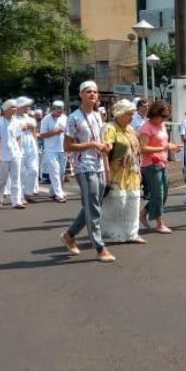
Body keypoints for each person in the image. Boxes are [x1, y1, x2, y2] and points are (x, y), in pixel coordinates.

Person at [61, 81, 115, 262]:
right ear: (81, 95)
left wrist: (105, 147)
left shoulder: (98, 116)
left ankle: (69, 235)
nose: (93, 94)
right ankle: (100, 247)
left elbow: (100, 140)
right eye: (88, 91)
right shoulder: (74, 118)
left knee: (92, 206)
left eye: (95, 92)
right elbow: (67, 146)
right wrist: (91, 145)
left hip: (98, 165)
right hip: (83, 167)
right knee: (93, 208)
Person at [101, 99, 145, 244]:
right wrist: (106, 172)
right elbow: (105, 152)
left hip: (132, 172)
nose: (131, 117)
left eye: (132, 114)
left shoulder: (131, 129)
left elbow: (138, 150)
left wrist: (140, 168)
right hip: (116, 173)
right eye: (128, 114)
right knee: (117, 204)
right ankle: (113, 233)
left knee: (133, 203)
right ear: (119, 114)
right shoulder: (110, 128)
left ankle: (132, 233)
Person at [138, 100, 182, 233]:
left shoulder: (161, 125)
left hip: (162, 162)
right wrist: (161, 147)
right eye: (162, 116)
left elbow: (164, 143)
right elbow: (142, 148)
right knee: (158, 194)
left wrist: (171, 147)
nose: (163, 119)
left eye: (166, 116)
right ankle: (159, 222)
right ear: (155, 113)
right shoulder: (147, 127)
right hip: (150, 164)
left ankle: (143, 213)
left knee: (163, 194)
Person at [0, 98, 26, 209]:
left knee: (16, 178)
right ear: (6, 109)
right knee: (2, 178)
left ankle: (16, 201)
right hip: (3, 154)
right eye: (12, 107)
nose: (15, 109)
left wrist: (19, 150)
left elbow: (18, 137)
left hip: (16, 154)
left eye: (16, 107)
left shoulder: (17, 122)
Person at [39, 101, 68, 203]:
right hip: (51, 150)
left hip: (63, 149)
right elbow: (42, 135)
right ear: (53, 109)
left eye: (61, 111)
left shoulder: (65, 118)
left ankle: (52, 191)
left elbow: (69, 133)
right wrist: (55, 132)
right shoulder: (46, 119)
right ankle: (59, 194)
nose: (59, 113)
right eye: (57, 111)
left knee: (61, 172)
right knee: (55, 171)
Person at [16, 97, 41, 199]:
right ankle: (20, 195)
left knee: (34, 170)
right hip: (19, 143)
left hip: (30, 144)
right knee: (21, 171)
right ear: (20, 107)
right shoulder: (13, 119)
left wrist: (36, 145)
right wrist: (23, 127)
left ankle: (28, 192)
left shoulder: (31, 118)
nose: (28, 108)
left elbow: (34, 133)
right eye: (26, 106)